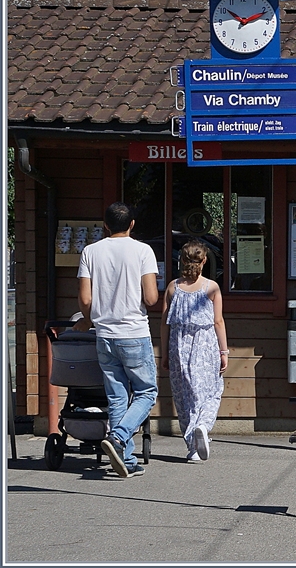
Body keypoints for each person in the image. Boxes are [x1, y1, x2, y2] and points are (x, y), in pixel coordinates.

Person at [74, 202, 160, 478]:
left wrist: (88, 321)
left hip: (104, 335)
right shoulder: (143, 251)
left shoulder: (90, 251)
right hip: (134, 332)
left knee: (117, 396)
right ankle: (119, 437)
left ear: (106, 225)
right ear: (132, 224)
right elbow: (150, 298)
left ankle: (126, 460)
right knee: (147, 392)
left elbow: (85, 298)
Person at [159, 240, 228, 463]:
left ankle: (193, 447)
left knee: (184, 396)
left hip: (179, 347)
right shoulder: (211, 288)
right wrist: (224, 351)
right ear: (205, 260)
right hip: (205, 346)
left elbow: (164, 323)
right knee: (211, 391)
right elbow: (218, 321)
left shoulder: (173, 287)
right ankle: (203, 426)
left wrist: (165, 353)